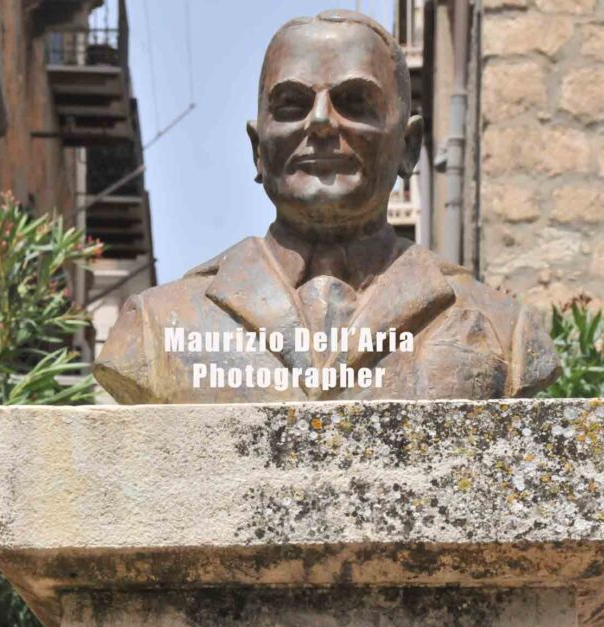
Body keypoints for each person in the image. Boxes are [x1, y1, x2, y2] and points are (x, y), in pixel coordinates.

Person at [94, 9, 559, 405]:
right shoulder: (158, 327)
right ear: (258, 149)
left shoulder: (501, 331)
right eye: (292, 104)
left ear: (409, 147)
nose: (319, 122)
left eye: (354, 102)